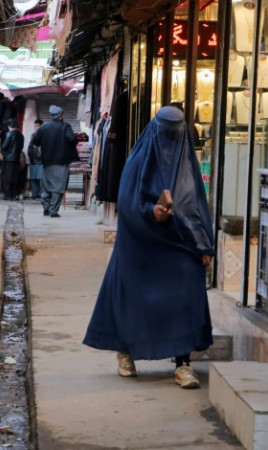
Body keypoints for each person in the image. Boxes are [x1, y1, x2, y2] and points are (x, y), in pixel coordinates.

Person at [82, 106, 215, 389]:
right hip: (141, 240)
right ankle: (126, 352)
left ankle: (182, 362)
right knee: (131, 292)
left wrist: (204, 246)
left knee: (189, 282)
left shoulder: (186, 163)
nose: (171, 139)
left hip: (178, 241)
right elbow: (128, 202)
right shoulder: (138, 159)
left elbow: (196, 207)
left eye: (176, 133)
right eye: (167, 133)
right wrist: (150, 213)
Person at [30, 105, 79, 217]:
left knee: (47, 186)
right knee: (58, 187)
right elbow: (72, 139)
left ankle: (46, 208)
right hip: (61, 163)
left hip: (47, 162)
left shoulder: (44, 127)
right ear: (61, 115)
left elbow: (35, 141)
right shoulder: (65, 127)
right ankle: (53, 211)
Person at [0, 118, 24, 200]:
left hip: (8, 159)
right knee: (14, 176)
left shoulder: (9, 134)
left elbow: (4, 146)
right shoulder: (21, 135)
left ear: (9, 126)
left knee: (7, 177)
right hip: (16, 158)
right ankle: (13, 194)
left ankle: (7, 194)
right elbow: (21, 147)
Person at [27, 119, 44, 199]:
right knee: (33, 178)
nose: (36, 128)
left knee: (41, 179)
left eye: (38, 126)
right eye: (35, 126)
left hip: (41, 161)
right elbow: (30, 147)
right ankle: (35, 194)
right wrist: (30, 156)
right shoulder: (33, 135)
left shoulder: (45, 135)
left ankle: (41, 194)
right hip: (33, 160)